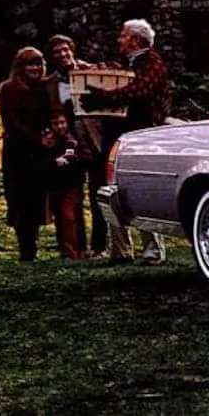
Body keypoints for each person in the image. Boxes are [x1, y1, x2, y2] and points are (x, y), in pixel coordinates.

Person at [81, 19, 172, 265]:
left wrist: (100, 97)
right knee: (111, 187)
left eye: (123, 35)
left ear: (135, 39)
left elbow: (137, 91)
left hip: (141, 134)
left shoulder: (152, 63)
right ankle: (120, 250)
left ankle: (153, 249)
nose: (119, 39)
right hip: (120, 131)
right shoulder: (129, 63)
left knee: (139, 187)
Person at [44, 34, 111, 258]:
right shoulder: (51, 82)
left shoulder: (89, 71)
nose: (63, 55)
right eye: (57, 52)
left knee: (97, 194)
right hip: (69, 145)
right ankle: (79, 247)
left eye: (65, 50)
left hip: (93, 140)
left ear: (72, 50)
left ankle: (100, 246)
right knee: (73, 197)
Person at [0, 47, 52, 261]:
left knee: (36, 200)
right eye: (30, 64)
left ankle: (33, 246)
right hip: (18, 152)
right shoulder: (9, 89)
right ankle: (25, 250)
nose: (35, 69)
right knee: (20, 200)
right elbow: (11, 122)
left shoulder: (42, 89)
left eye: (38, 64)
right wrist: (36, 138)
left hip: (38, 152)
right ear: (21, 66)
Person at [43, 109, 92, 260]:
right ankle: (66, 249)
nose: (60, 126)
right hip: (55, 184)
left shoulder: (73, 139)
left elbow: (87, 156)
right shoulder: (47, 141)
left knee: (69, 217)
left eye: (62, 122)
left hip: (72, 183)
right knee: (60, 218)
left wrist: (73, 158)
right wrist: (54, 162)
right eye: (56, 123)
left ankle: (75, 250)